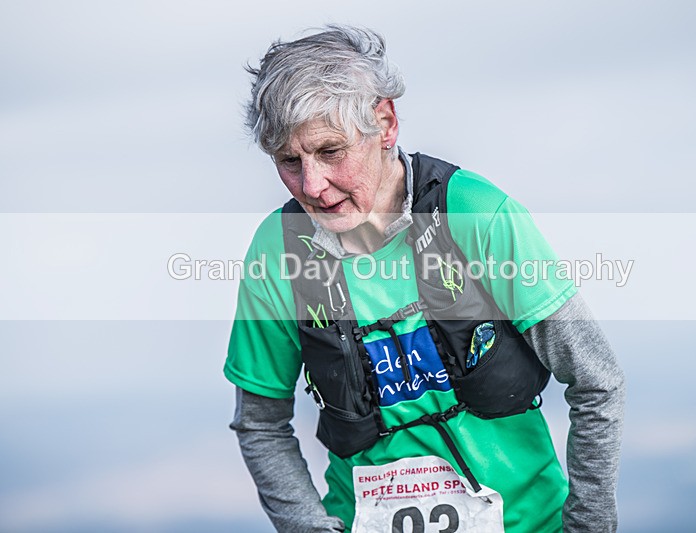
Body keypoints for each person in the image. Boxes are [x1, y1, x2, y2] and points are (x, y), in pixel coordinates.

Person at [225, 25, 625, 533]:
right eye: (288, 161)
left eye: (330, 151)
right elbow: (261, 423)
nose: (313, 186)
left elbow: (597, 381)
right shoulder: (277, 252)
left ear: (385, 122)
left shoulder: (477, 215)